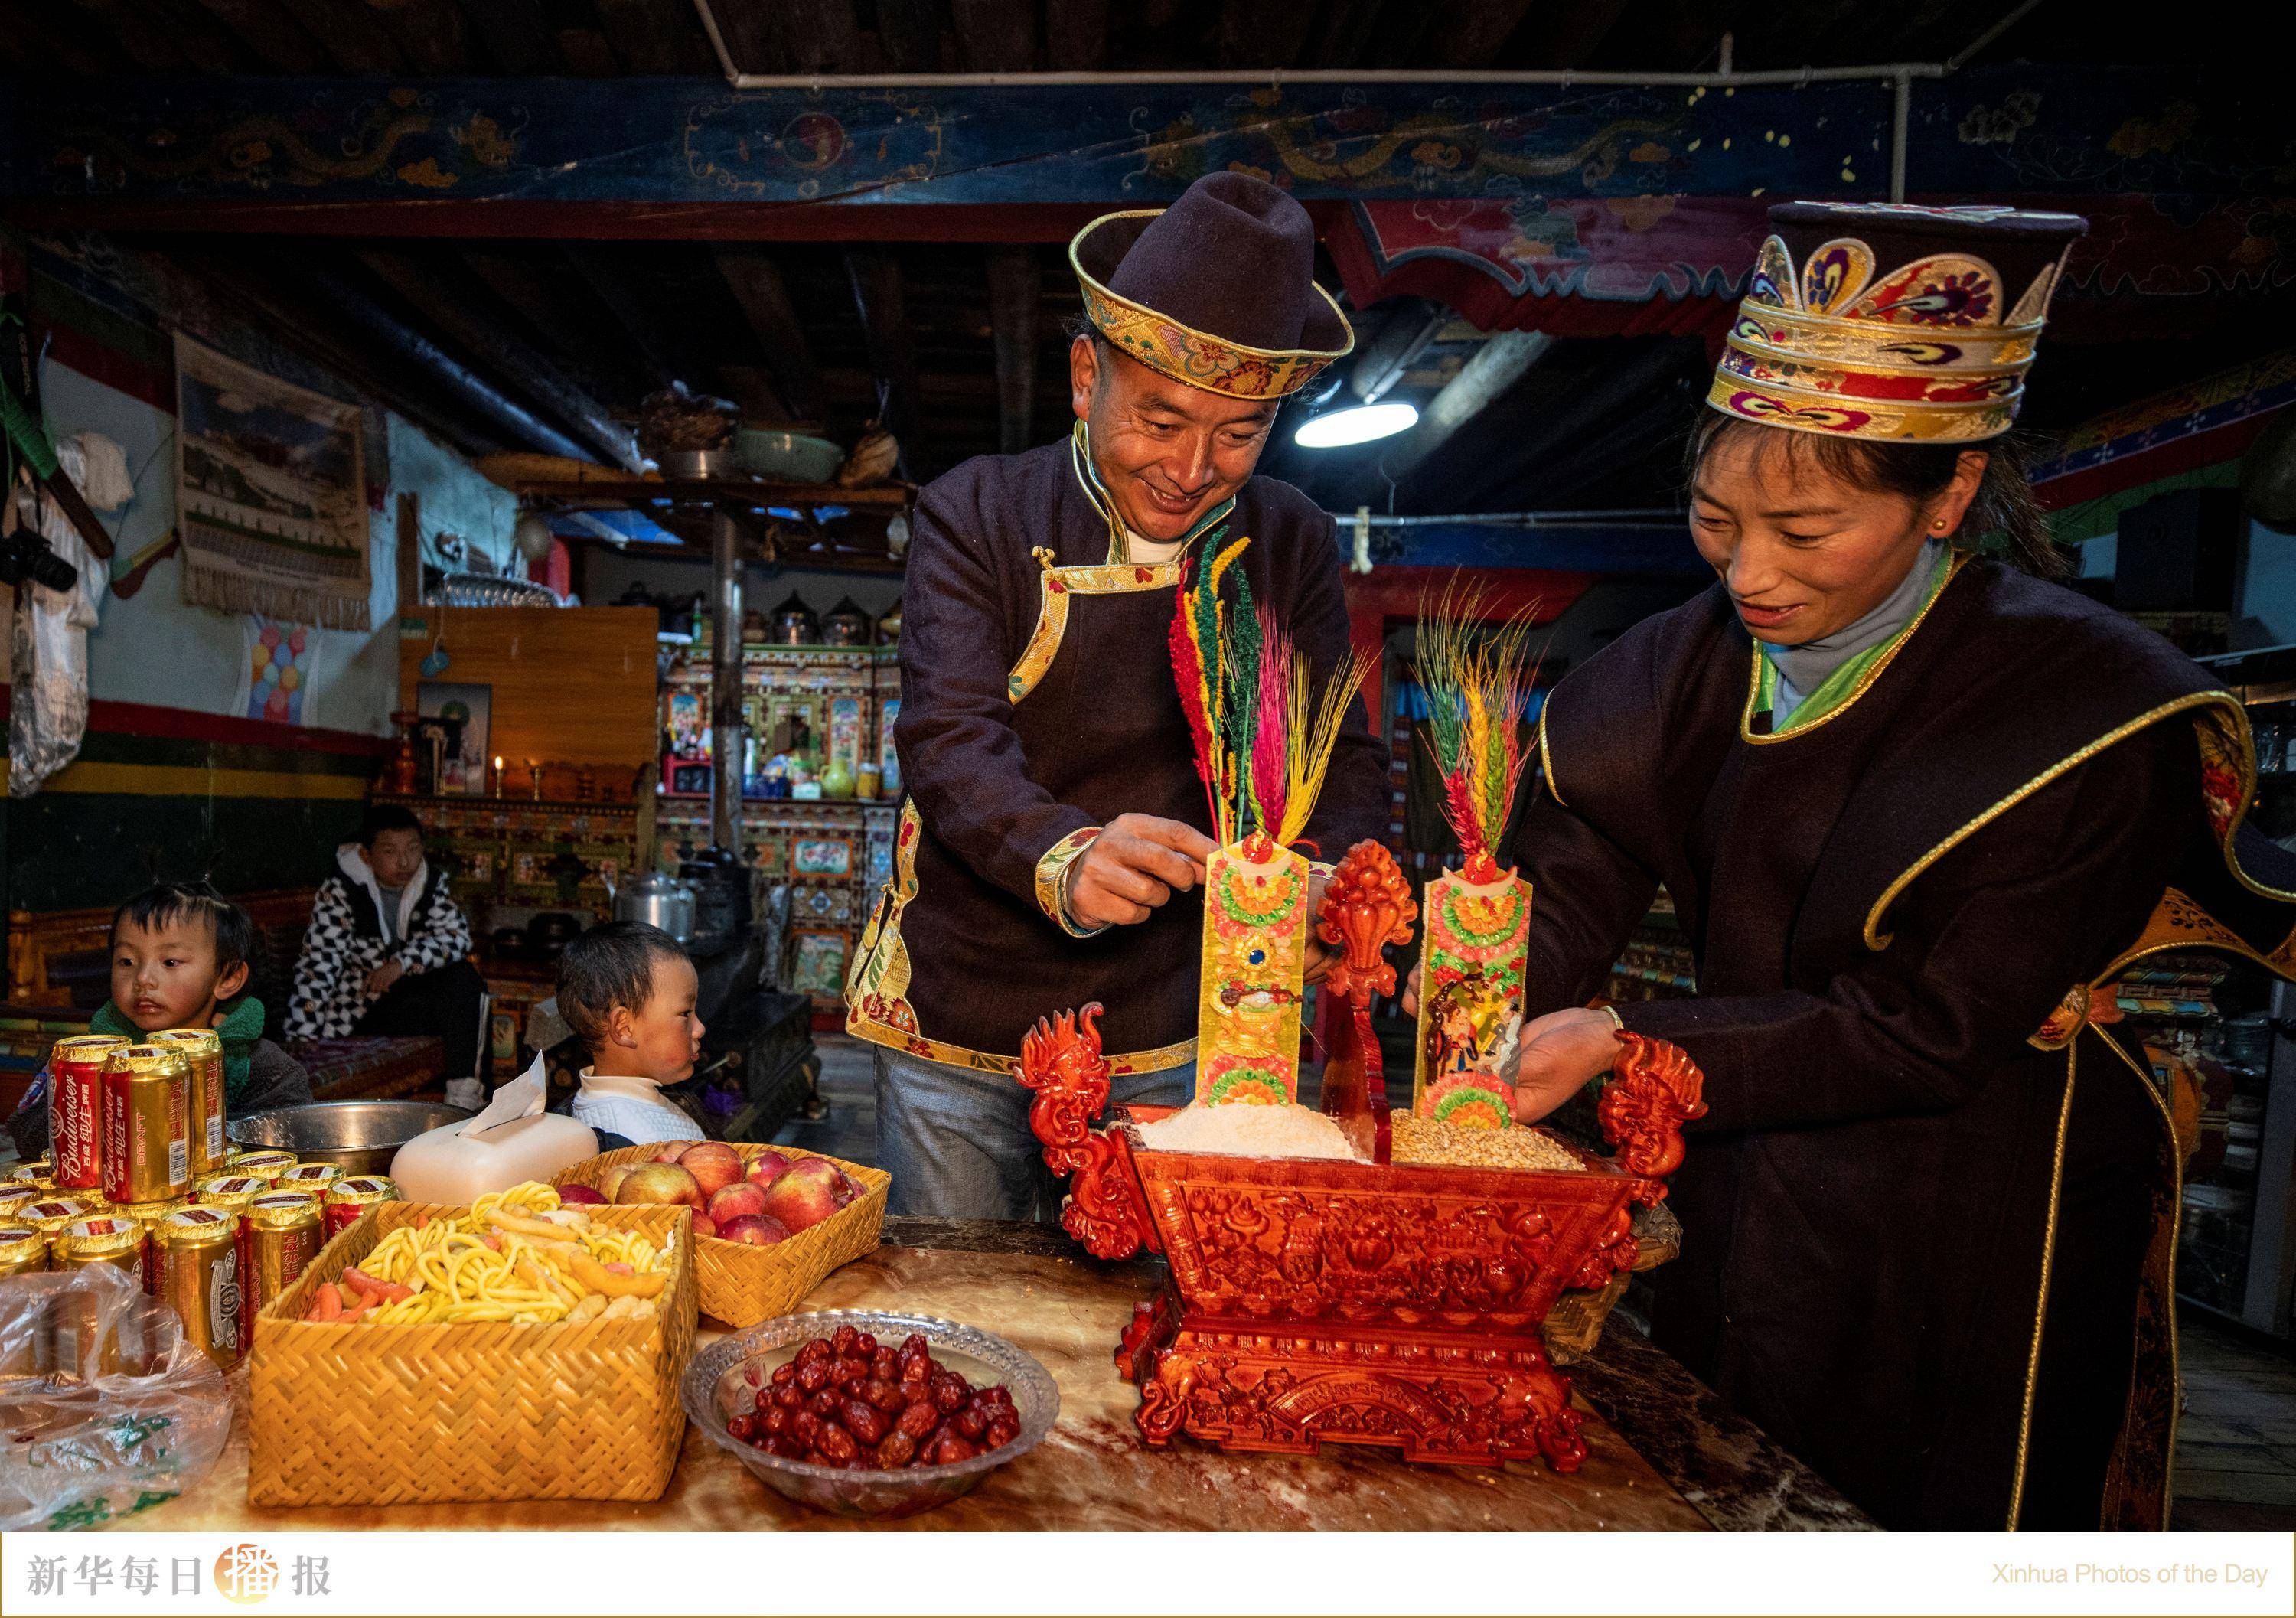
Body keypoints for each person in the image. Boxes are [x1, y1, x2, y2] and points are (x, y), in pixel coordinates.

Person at [1403, 201, 2296, 1530]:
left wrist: (1618, 1035)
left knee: (1924, 1500)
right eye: (1714, 520)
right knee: (1722, 1460)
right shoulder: (1667, 669)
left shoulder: (2090, 712)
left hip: (1983, 1174)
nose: (1751, 573)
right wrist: (1454, 1005)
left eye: (1807, 531)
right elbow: (1551, 901)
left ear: (1949, 495)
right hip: (1734, 1143)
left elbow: (1931, 1028)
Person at [844, 173, 1388, 1219]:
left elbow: (1343, 750)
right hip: (966, 1005)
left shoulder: (1289, 542)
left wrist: (1336, 883)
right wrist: (1069, 855)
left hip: (1182, 1016)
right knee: (963, 1321)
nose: (1190, 468)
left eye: (1238, 434)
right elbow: (950, 740)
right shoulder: (979, 512)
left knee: (1154, 1329)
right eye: (1160, 417)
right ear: (1087, 373)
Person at [5, 880, 312, 1159]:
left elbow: (293, 1138)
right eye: (127, 961)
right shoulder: (79, 1058)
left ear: (227, 977)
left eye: (169, 962)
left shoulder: (256, 1063)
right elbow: (28, 1135)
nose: (143, 979)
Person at [286, 804, 487, 1100]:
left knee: (465, 980)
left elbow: (457, 938)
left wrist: (401, 964)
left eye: (412, 849)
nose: (404, 862)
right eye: (390, 852)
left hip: (406, 1002)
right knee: (462, 988)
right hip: (361, 1010)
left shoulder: (429, 885)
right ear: (368, 856)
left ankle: (465, 1096)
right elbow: (320, 961)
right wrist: (301, 1031)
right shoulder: (342, 891)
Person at [554, 920, 705, 1150]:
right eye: (685, 1013)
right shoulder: (635, 1145)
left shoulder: (645, 1100)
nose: (700, 1029)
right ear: (624, 1028)